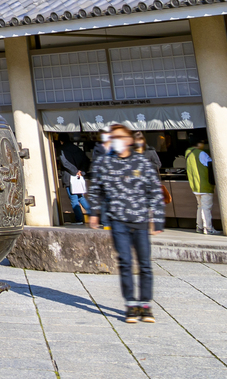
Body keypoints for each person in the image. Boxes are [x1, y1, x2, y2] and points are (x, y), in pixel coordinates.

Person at [87, 122, 163, 324]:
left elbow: (154, 191)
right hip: (117, 219)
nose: (116, 141)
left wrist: (157, 219)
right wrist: (94, 213)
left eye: (120, 137)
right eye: (113, 137)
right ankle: (130, 303)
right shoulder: (104, 163)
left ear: (129, 140)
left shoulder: (142, 162)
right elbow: (96, 189)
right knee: (125, 262)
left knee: (145, 264)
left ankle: (145, 304)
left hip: (139, 219)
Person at [186, 139, 216, 234]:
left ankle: (199, 227)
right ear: (199, 143)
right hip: (204, 185)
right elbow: (212, 165)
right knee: (206, 207)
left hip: (195, 185)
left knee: (200, 206)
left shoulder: (188, 153)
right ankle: (208, 228)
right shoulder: (201, 153)